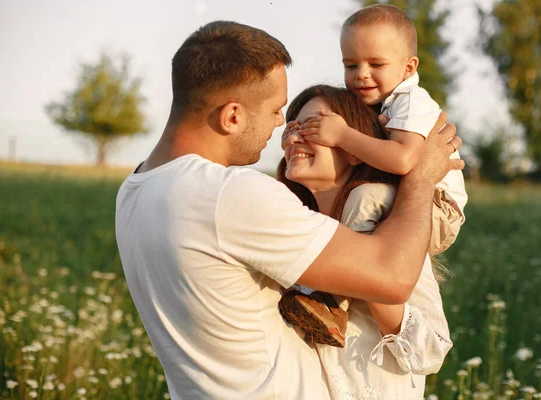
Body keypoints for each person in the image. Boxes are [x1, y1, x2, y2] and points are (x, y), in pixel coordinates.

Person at [115, 20, 463, 399]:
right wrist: (422, 173)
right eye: (280, 112)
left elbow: (423, 338)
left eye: (310, 126)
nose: (284, 126)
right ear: (232, 115)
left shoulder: (134, 192)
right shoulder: (230, 197)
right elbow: (391, 277)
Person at [279, 4, 468, 347]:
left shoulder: (412, 102)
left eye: (376, 64)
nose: (361, 75)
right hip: (412, 196)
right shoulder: (379, 105)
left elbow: (402, 160)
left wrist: (342, 135)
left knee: (366, 198)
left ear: (409, 67)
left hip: (438, 204)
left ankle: (332, 296)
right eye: (351, 65)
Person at [278, 84, 454, 399]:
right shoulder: (294, 224)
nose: (292, 139)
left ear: (355, 147)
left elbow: (429, 350)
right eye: (291, 129)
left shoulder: (375, 204)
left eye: (313, 128)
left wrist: (369, 277)